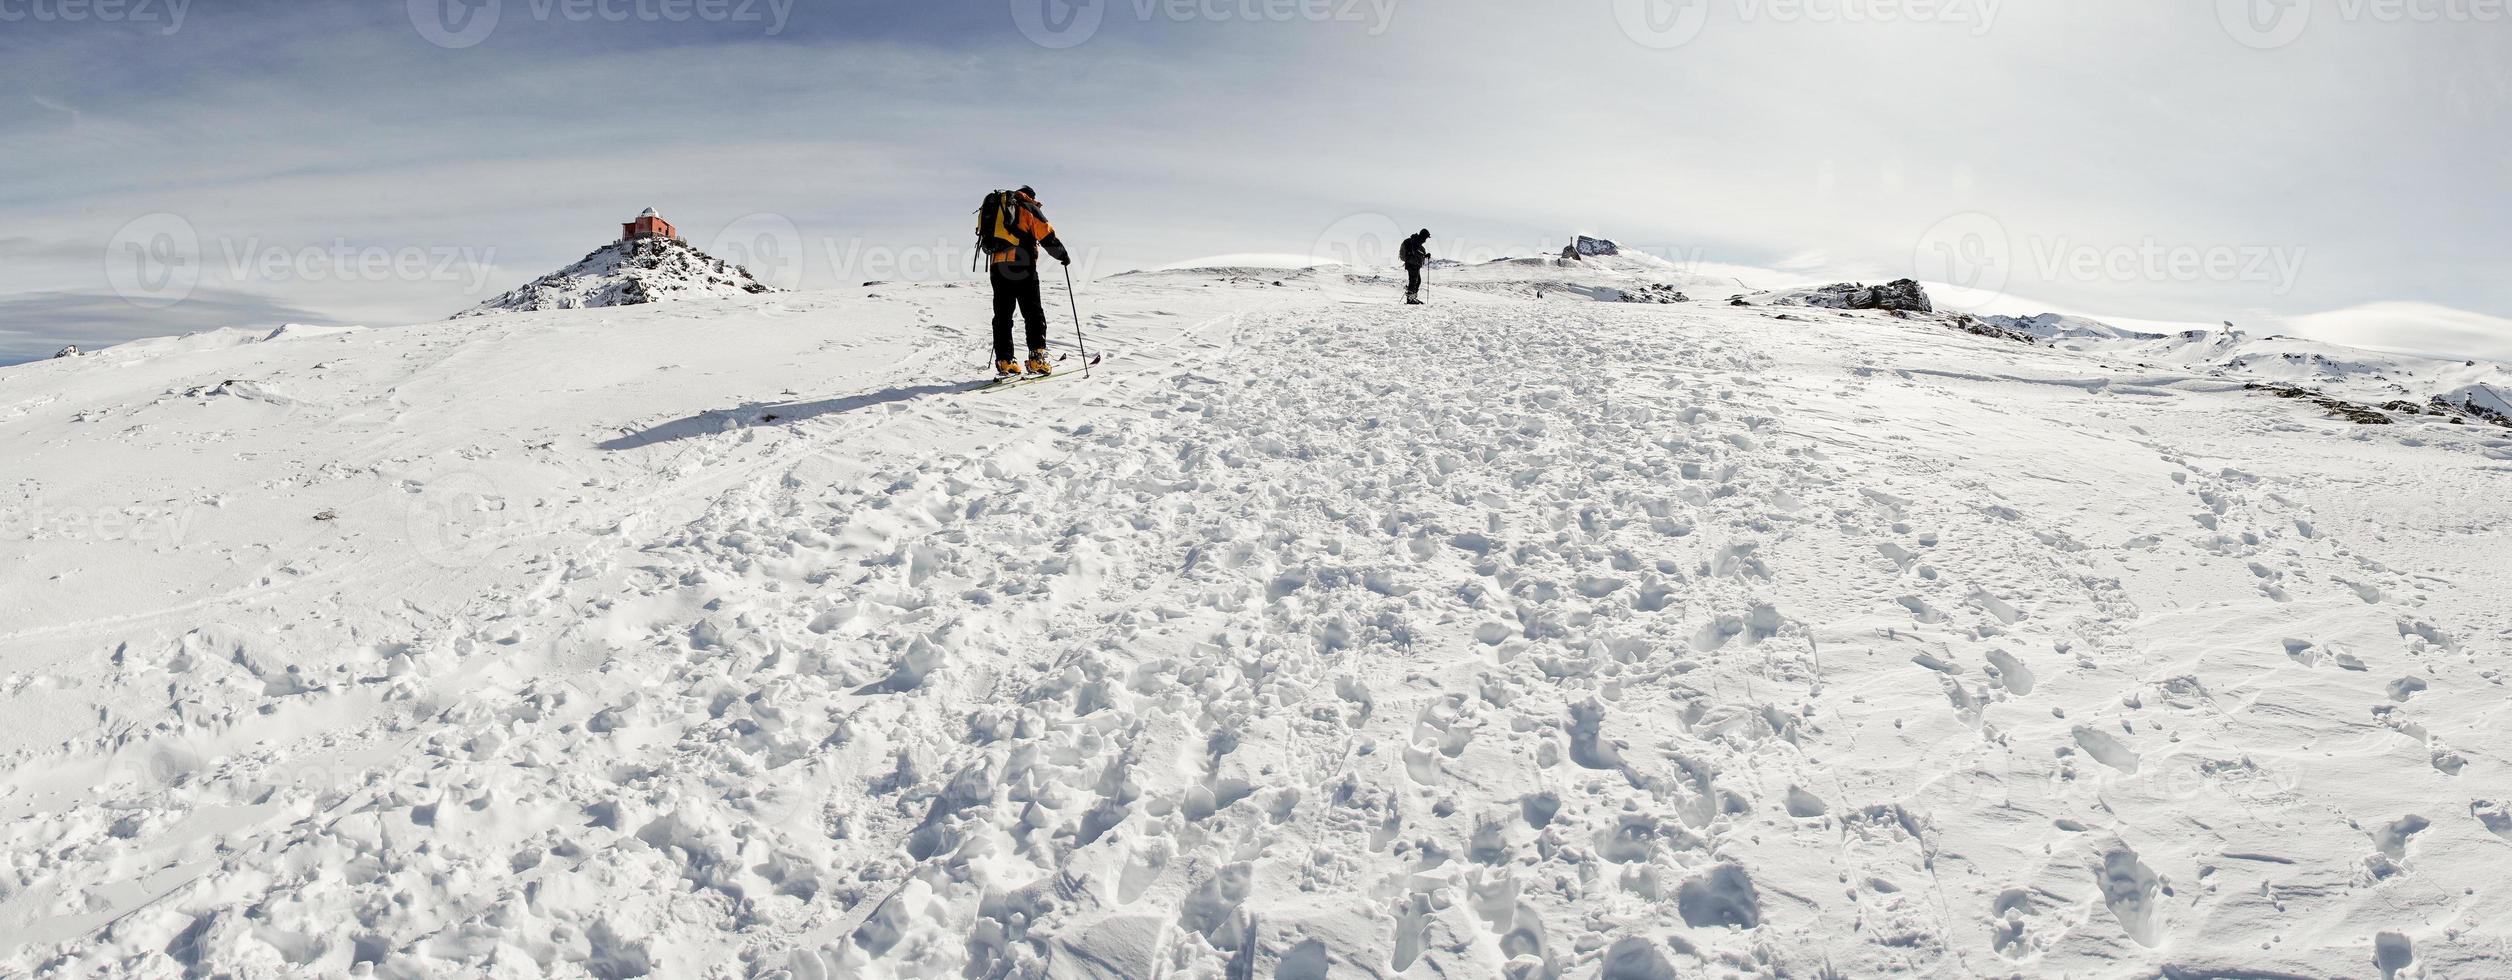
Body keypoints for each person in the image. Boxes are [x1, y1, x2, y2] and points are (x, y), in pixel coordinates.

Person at [982, 186, 1072, 377]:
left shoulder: (999, 209)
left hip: (997, 267)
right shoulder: (1027, 207)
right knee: (1032, 312)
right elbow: (1046, 235)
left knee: (1002, 315)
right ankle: (1037, 359)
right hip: (1022, 265)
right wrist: (1062, 255)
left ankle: (1005, 360)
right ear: (1030, 196)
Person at [1400, 229, 1431, 305]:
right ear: (1423, 236)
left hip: (1413, 264)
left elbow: (1417, 252)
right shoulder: (1415, 241)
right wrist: (1423, 255)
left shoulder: (1416, 241)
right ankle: (1410, 299)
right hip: (1412, 264)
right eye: (1426, 237)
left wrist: (1424, 255)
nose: (1426, 240)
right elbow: (1415, 251)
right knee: (1414, 281)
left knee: (1417, 281)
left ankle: (1412, 298)